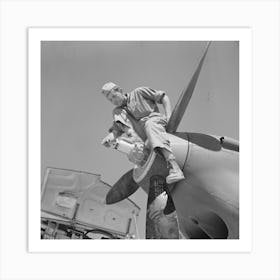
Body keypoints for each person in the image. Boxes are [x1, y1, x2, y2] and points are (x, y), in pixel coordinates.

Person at [100, 82, 185, 184]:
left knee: (149, 125)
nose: (114, 101)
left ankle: (174, 166)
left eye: (114, 96)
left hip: (155, 123)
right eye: (110, 100)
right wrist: (109, 138)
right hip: (145, 140)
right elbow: (116, 131)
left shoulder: (139, 92)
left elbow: (163, 97)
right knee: (133, 150)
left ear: (120, 90)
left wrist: (169, 116)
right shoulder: (118, 112)